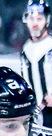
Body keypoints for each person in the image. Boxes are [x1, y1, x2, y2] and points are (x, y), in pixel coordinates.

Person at [20, 0, 52, 128]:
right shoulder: (26, 49)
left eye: (39, 19)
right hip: (34, 113)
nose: (35, 23)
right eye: (31, 18)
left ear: (47, 20)